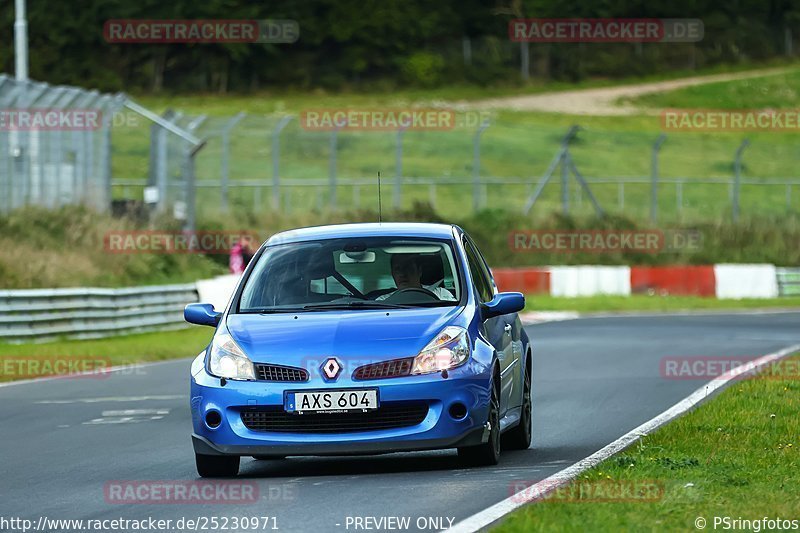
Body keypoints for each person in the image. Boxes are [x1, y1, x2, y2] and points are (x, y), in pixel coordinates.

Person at [376, 254, 456, 301]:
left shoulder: (441, 294)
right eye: (397, 269)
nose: (402, 274)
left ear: (419, 271)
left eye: (407, 268)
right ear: (392, 274)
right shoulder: (383, 301)